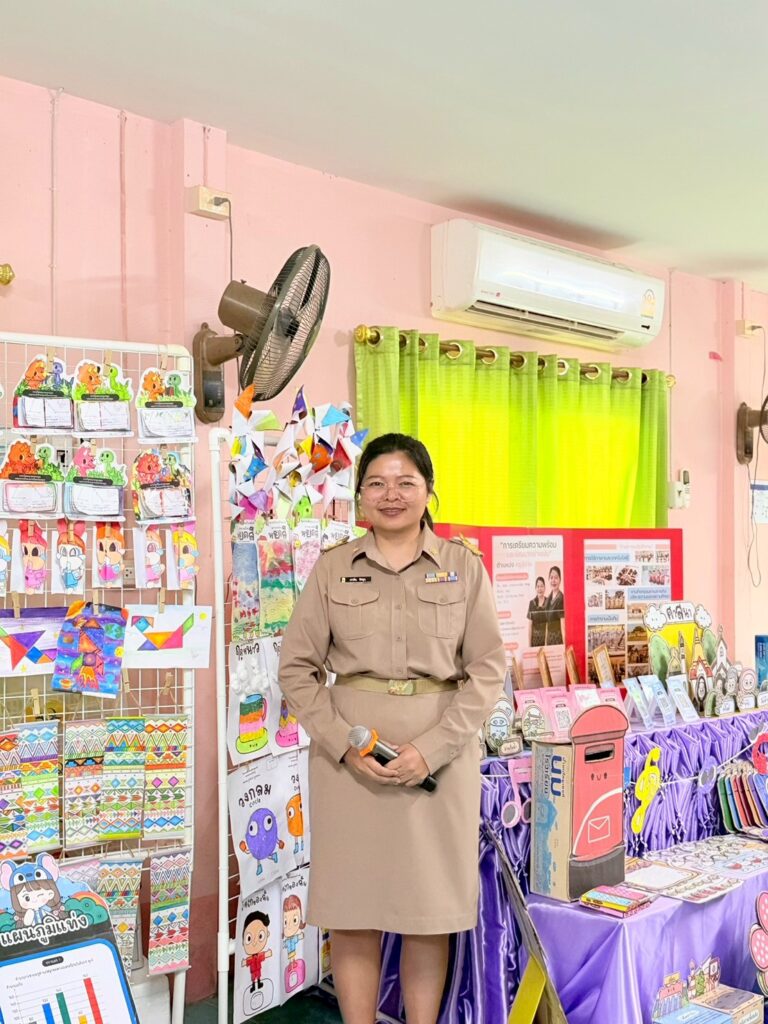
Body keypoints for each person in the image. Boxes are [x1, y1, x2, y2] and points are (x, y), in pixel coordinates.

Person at [278, 433, 506, 1024]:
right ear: (360, 496)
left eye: (406, 482)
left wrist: (431, 750)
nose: (391, 494)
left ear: (429, 491)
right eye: (377, 483)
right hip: (350, 766)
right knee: (353, 910)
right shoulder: (333, 569)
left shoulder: (463, 567)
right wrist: (340, 744)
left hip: (440, 763)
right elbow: (297, 669)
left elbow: (487, 670)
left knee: (427, 912)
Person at [527, 575, 549, 647]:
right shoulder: (532, 603)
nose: (540, 589)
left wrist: (546, 643)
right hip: (534, 642)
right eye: (538, 586)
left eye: (542, 586)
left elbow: (548, 625)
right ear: (535, 588)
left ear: (545, 588)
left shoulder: (548, 602)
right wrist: (529, 645)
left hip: (545, 641)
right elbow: (530, 626)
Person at [545, 565, 564, 645]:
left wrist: (564, 646)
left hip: (557, 640)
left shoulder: (561, 598)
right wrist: (545, 643)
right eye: (551, 577)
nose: (553, 580)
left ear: (560, 580)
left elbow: (563, 625)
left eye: (556, 577)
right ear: (548, 579)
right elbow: (547, 623)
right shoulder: (548, 598)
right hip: (549, 640)